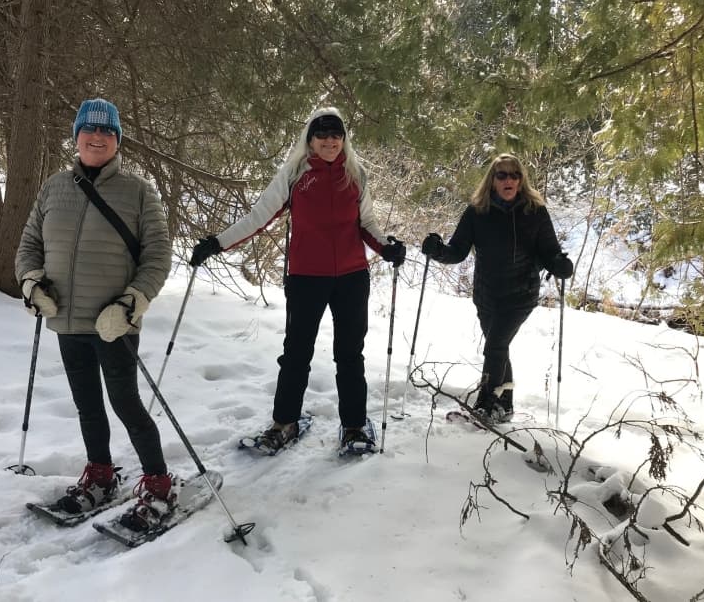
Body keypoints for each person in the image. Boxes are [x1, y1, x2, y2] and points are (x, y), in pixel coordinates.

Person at [189, 107, 405, 451]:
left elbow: (366, 224)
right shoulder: (294, 174)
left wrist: (387, 247)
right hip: (306, 278)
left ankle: (354, 427)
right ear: (310, 138)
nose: (330, 141)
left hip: (351, 277)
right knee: (296, 354)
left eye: (336, 134)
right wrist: (217, 243)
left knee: (350, 355)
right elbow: (259, 216)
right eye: (322, 134)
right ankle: (284, 423)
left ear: (344, 138)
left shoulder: (356, 174)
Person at [16, 97, 175, 532]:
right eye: (90, 130)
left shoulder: (139, 192)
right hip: (67, 319)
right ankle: (100, 474)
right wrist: (31, 283)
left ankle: (159, 482)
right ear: (77, 136)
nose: (97, 138)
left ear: (117, 140)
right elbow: (29, 244)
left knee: (125, 402)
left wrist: (131, 304)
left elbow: (159, 256)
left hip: (113, 324)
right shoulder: (53, 187)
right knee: (87, 404)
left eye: (107, 132)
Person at [421, 153, 572, 423]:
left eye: (514, 175)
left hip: (520, 293)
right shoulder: (477, 212)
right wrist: (438, 251)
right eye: (501, 175)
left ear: (521, 180)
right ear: (492, 181)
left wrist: (560, 264)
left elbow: (550, 251)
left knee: (494, 347)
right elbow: (457, 251)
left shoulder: (534, 212)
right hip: (486, 294)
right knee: (499, 348)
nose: (509, 180)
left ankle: (486, 404)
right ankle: (506, 405)